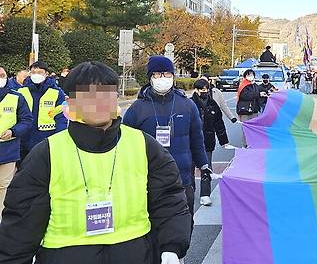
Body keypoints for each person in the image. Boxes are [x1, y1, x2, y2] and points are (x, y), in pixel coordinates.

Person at [0, 61, 191, 263]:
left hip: (136, 254)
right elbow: (22, 219)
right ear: (70, 102)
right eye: (88, 95)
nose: (99, 102)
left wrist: (171, 245)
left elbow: (168, 197)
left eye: (106, 94)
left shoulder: (143, 144)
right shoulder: (47, 153)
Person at [123, 55, 209, 234]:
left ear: (173, 76)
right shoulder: (137, 108)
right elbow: (124, 144)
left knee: (183, 227)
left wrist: (203, 164)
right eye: (157, 74)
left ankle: (180, 258)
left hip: (182, 179)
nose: (162, 78)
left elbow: (196, 138)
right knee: (151, 229)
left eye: (166, 74)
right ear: (150, 78)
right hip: (148, 180)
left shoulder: (187, 106)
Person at [191, 79, 234, 207]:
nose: (204, 92)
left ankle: (205, 194)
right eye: (202, 90)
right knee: (189, 168)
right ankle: (189, 191)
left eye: (206, 89)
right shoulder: (189, 104)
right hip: (191, 142)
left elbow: (219, 124)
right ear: (196, 90)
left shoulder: (212, 104)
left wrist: (224, 141)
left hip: (207, 141)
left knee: (206, 167)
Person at [0, 66, 33, 219]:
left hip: (8, 150)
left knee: (3, 186)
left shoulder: (16, 97)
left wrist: (13, 131)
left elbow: (26, 120)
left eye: (2, 75)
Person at [18, 61, 67, 161]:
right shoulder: (21, 91)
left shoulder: (57, 92)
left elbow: (61, 116)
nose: (36, 75)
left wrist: (60, 137)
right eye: (33, 72)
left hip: (47, 136)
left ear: (46, 74)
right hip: (24, 137)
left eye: (39, 72)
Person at [236, 69, 263, 143]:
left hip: (254, 110)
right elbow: (246, 96)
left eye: (252, 75)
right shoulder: (243, 85)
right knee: (246, 129)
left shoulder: (254, 85)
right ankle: (245, 145)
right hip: (245, 111)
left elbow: (262, 90)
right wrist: (258, 94)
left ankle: (252, 144)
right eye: (248, 75)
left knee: (254, 129)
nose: (250, 76)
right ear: (245, 76)